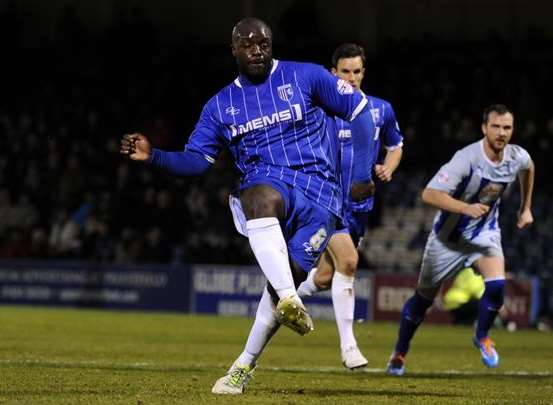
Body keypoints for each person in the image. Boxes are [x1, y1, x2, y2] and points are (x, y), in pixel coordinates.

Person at [120, 18, 377, 394]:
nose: (257, 50)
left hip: (323, 197)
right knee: (256, 197)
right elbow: (196, 161)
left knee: (274, 291)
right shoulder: (220, 106)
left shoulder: (306, 76)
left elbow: (360, 112)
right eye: (248, 44)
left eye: (263, 43)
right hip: (270, 181)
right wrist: (155, 155)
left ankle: (243, 365)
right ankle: (292, 297)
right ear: (234, 49)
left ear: (271, 45)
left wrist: (359, 174)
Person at [386, 104, 535, 376]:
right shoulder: (466, 158)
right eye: (496, 127)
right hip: (447, 240)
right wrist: (466, 208)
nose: (502, 133)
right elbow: (429, 194)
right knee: (423, 300)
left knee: (497, 286)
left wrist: (526, 208)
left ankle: (482, 336)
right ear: (484, 128)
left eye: (507, 127)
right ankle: (400, 352)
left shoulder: (516, 156)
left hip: (483, 234)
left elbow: (529, 167)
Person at [296, 43, 404, 369]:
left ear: (363, 73)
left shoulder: (380, 110)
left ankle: (284, 296)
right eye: (346, 71)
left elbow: (395, 145)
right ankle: (349, 347)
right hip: (324, 200)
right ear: (333, 74)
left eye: (357, 71)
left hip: (358, 207)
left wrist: (388, 166)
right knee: (350, 261)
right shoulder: (320, 110)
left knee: (328, 275)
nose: (352, 77)